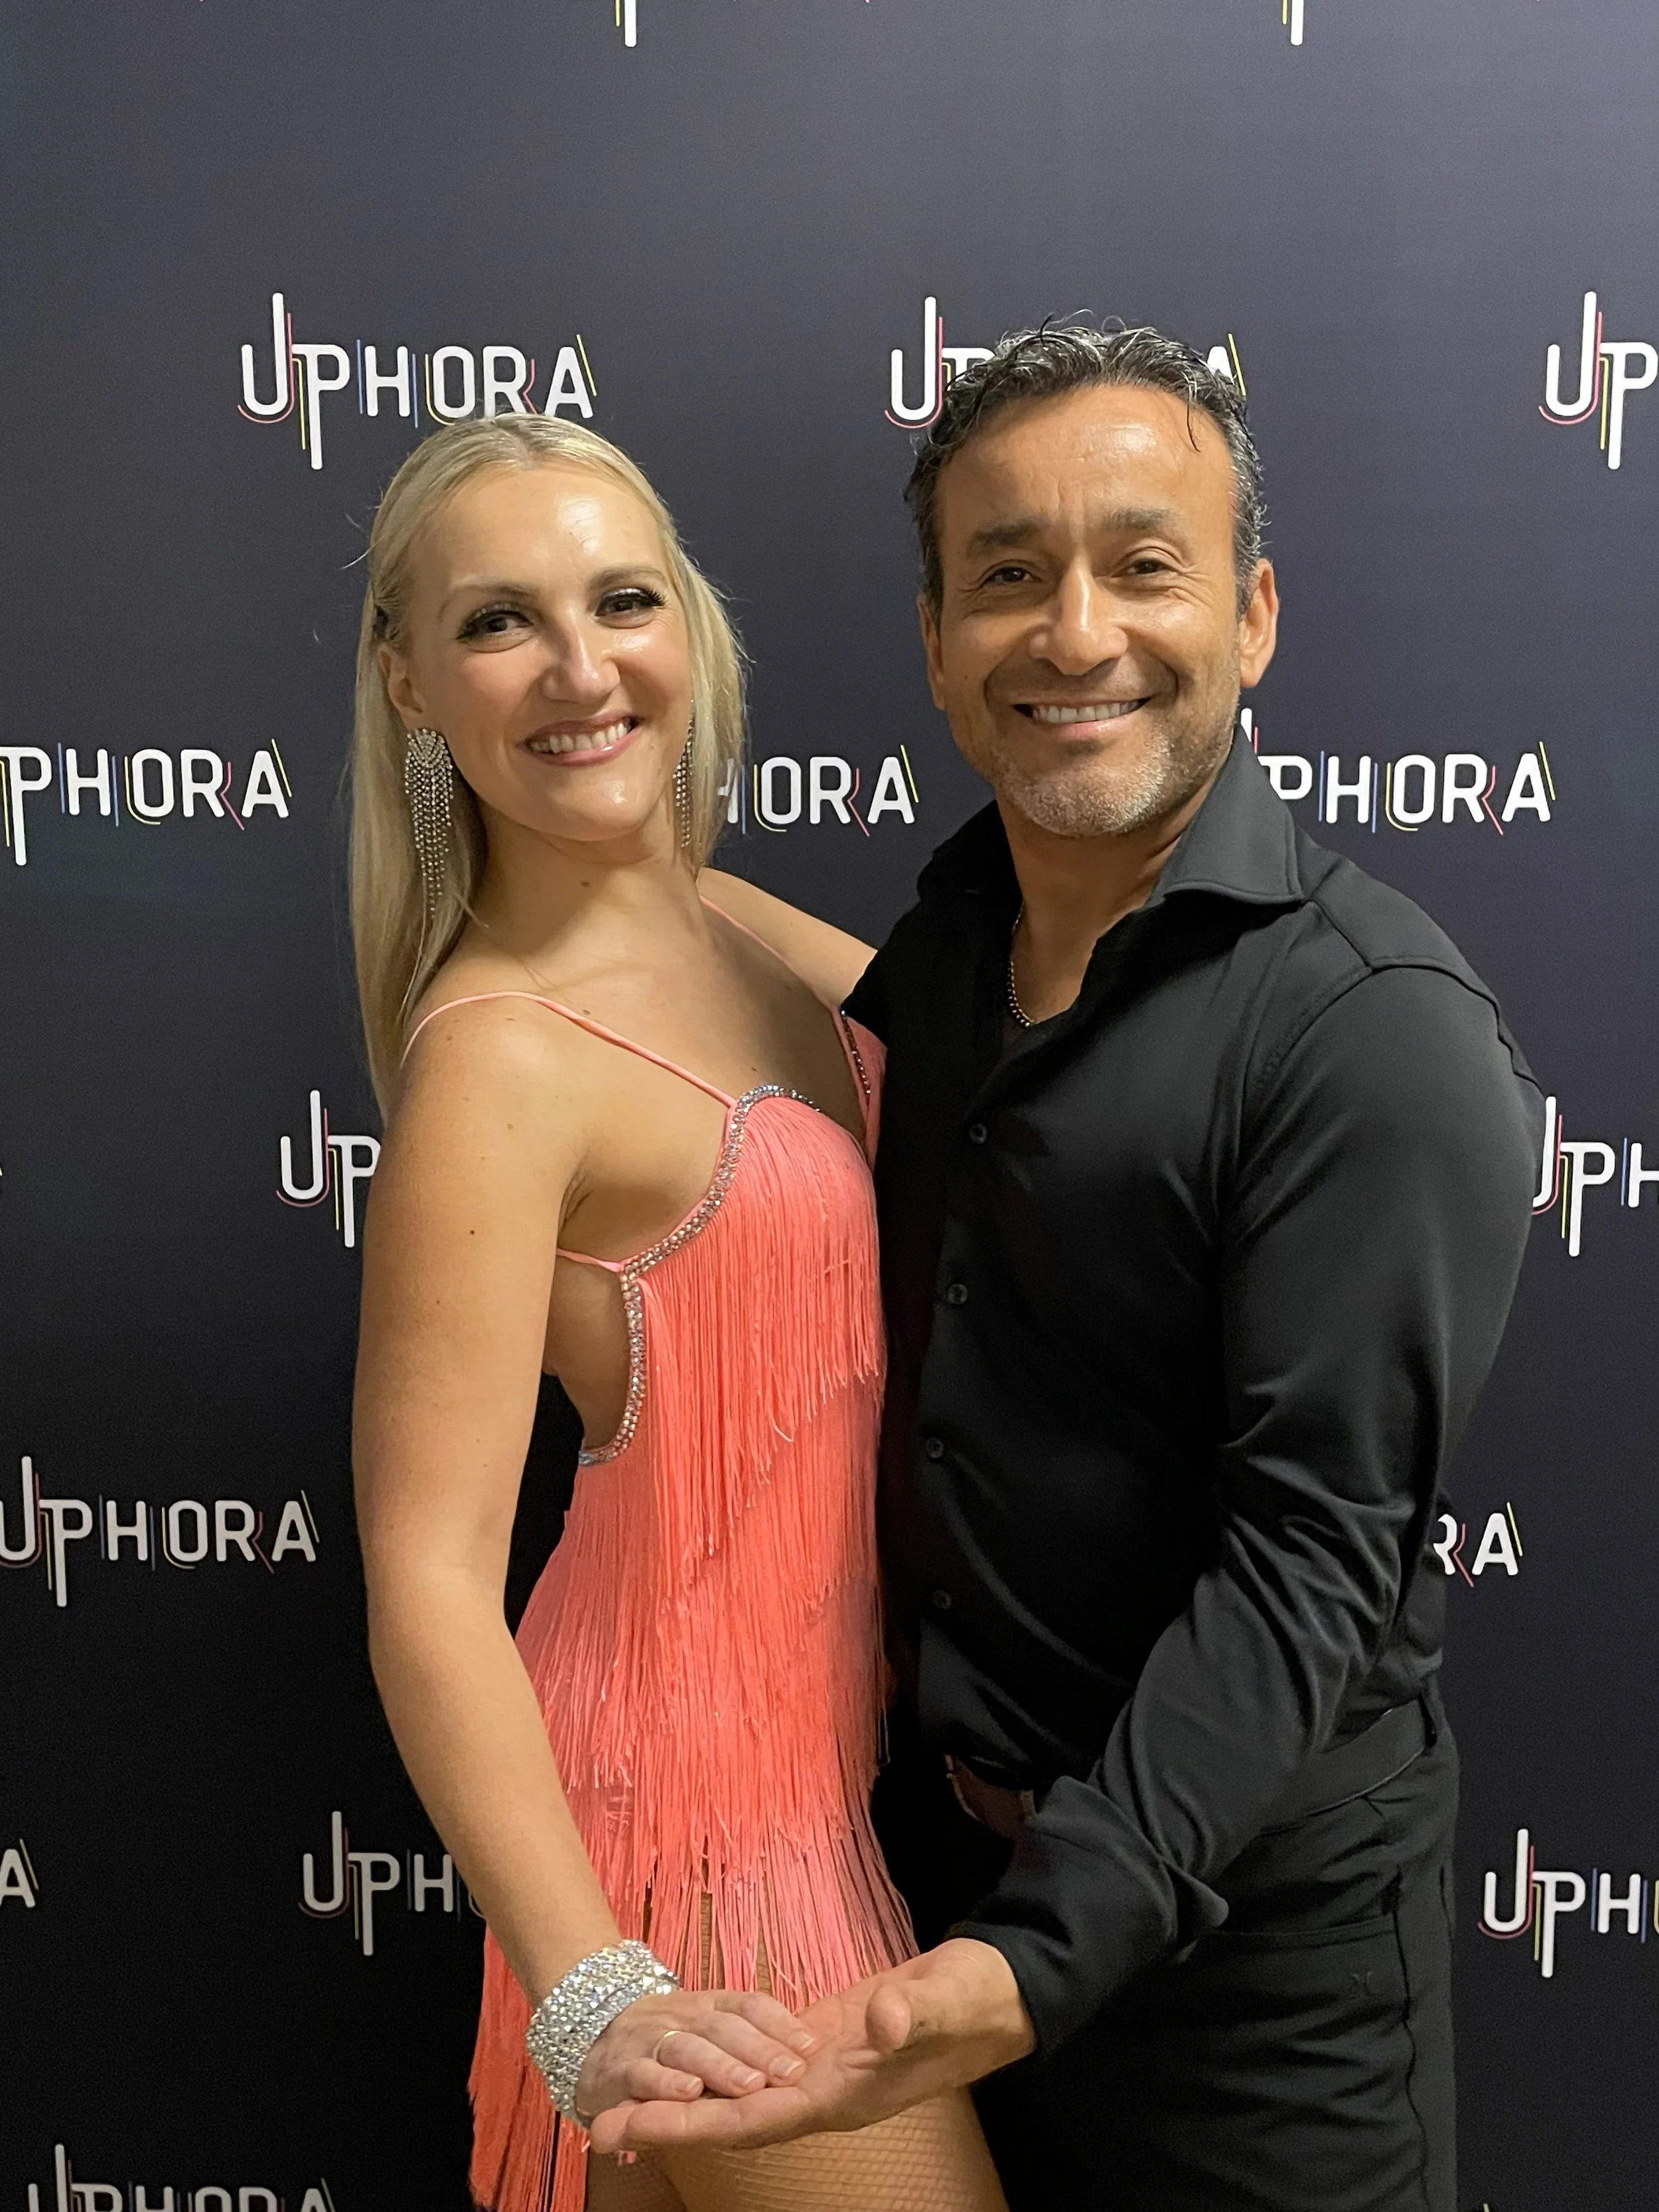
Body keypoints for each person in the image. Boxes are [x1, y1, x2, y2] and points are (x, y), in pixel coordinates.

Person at [593, 326, 1544, 2212]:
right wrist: (589, 860)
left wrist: (1025, 1965)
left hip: (1245, 1997)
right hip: (922, 1898)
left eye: (1142, 563)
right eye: (1008, 576)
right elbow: (757, 978)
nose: (1074, 630)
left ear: (1253, 615)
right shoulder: (945, 953)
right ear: (940, 642)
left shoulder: (1369, 1030)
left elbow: (1310, 1561)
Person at [347, 413, 1005, 2212]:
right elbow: (425, 1569)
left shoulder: (735, 927)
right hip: (682, 1833)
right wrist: (587, 1983)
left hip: (837, 1785)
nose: (578, 667)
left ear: (689, 629)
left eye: (620, 598)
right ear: (410, 681)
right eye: (497, 623)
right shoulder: (497, 1060)